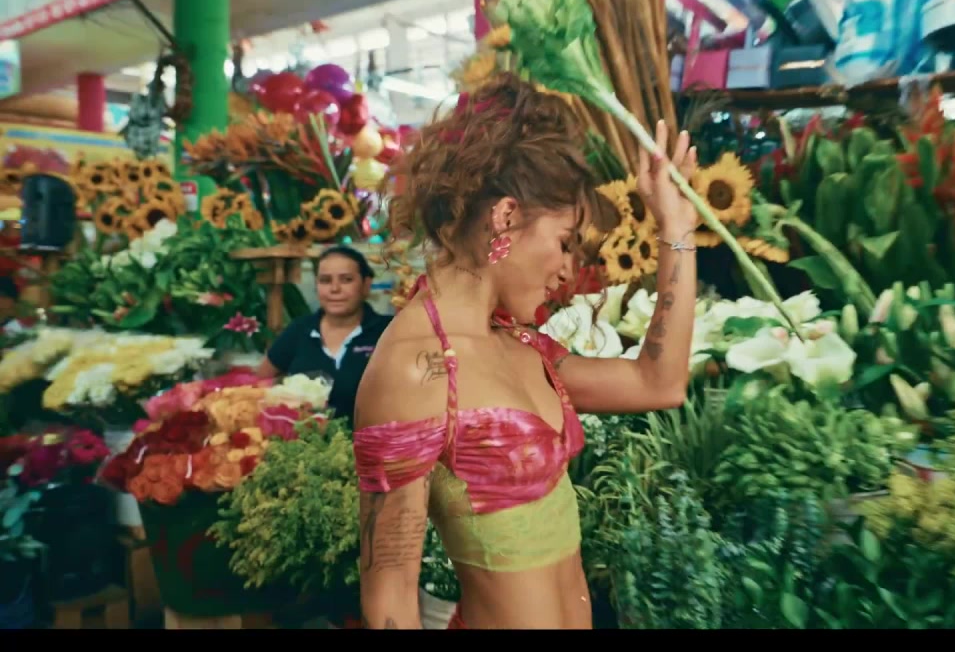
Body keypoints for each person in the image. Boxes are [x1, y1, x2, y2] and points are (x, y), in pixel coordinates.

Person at [353, 73, 699, 630]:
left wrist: (676, 230)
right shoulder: (415, 369)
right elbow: (390, 599)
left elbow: (661, 383)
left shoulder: (522, 345)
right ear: (506, 217)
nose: (565, 271)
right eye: (563, 242)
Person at [257, 245, 392, 422]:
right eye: (325, 280)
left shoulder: (388, 331)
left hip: (373, 437)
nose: (334, 289)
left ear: (366, 285)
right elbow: (259, 384)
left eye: (346, 280)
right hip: (307, 437)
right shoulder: (299, 330)